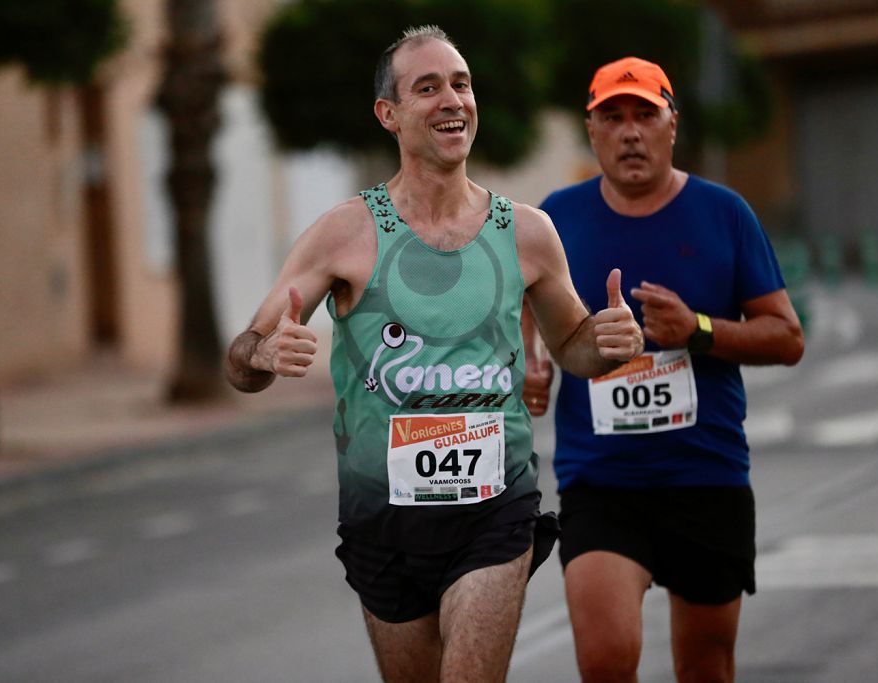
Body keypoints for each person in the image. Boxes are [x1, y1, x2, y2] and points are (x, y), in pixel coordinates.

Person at [224, 26, 644, 683]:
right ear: (388, 114)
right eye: (428, 87)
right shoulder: (346, 232)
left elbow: (573, 344)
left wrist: (607, 340)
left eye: (462, 83)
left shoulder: (527, 233)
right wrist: (262, 351)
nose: (453, 99)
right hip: (382, 522)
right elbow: (242, 358)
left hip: (495, 510)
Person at [525, 56, 805, 682]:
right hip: (600, 481)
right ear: (591, 131)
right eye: (613, 117)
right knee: (605, 659)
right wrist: (533, 364)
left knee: (705, 667)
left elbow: (787, 337)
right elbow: (525, 310)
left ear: (671, 125)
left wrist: (700, 330)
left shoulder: (724, 213)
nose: (630, 132)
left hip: (705, 474)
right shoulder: (555, 220)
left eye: (645, 115)